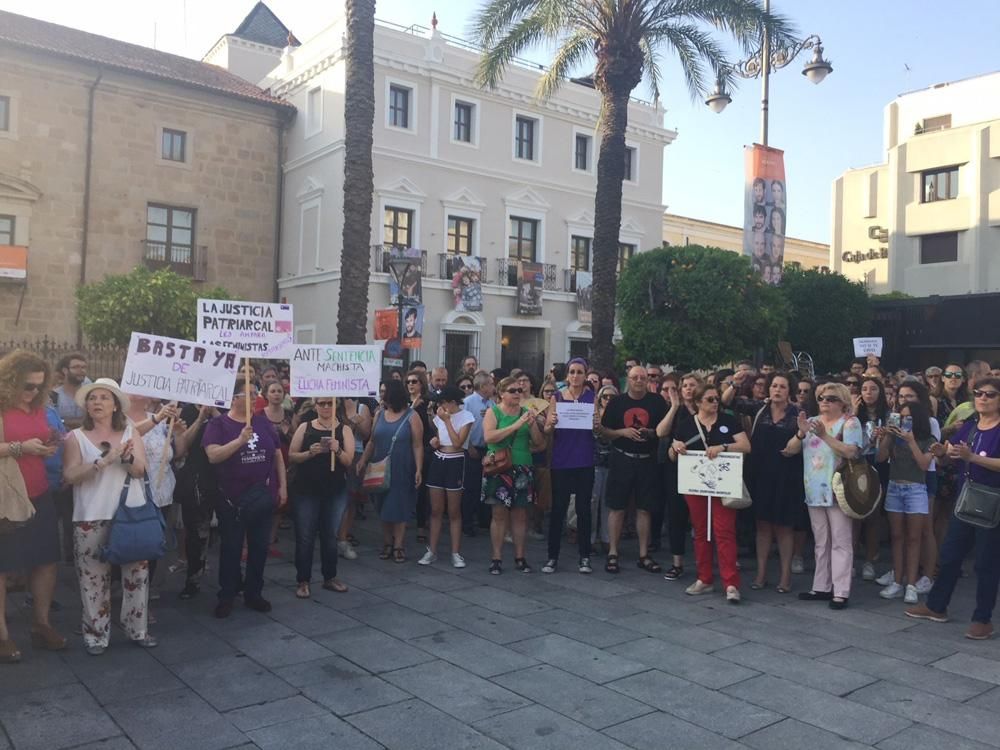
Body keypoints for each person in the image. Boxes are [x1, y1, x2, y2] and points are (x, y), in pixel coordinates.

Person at [62, 378, 152, 654]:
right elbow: (70, 475)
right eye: (92, 398)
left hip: (129, 514)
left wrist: (124, 458)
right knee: (92, 579)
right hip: (91, 515)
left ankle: (137, 630)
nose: (97, 402)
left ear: (115, 405)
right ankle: (96, 635)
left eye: (103, 398)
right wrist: (102, 462)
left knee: (136, 575)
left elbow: (140, 470)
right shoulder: (75, 437)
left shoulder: (130, 433)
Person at [906, 376, 1000, 640]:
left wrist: (973, 459)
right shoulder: (970, 425)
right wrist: (941, 453)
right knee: (949, 554)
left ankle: (983, 619)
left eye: (990, 394)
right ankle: (936, 606)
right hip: (965, 498)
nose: (982, 398)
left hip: (993, 501)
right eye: (979, 393)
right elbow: (951, 459)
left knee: (986, 562)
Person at [203, 378, 288, 619]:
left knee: (260, 547)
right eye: (248, 393)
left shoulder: (262, 422)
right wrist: (240, 440)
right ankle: (227, 595)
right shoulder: (218, 424)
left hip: (262, 497)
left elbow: (277, 455)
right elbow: (213, 456)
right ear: (234, 398)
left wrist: (283, 487)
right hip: (233, 501)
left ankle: (254, 593)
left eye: (255, 393)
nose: (255, 398)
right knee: (231, 548)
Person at [0, 351, 65, 663]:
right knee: (2, 566)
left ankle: (42, 625)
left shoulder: (39, 406)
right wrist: (18, 448)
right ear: (11, 380)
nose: (35, 392)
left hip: (39, 491)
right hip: (7, 498)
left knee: (47, 559)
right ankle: (2, 636)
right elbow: (17, 445)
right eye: (28, 386)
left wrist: (49, 443)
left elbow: (40, 436)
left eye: (41, 386)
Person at [670, 383, 751, 603]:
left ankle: (731, 582)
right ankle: (704, 578)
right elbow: (672, 453)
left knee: (724, 531)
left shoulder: (728, 421)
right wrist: (676, 447)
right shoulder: (687, 425)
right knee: (701, 531)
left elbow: (745, 446)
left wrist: (724, 447)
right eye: (710, 399)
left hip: (723, 484)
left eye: (716, 399)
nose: (715, 403)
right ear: (698, 403)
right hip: (696, 485)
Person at [785, 382, 864, 610]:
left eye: (830, 398)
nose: (824, 402)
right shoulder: (811, 422)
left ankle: (840, 591)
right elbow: (790, 450)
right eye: (821, 398)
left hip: (838, 489)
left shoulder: (850, 422)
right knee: (821, 541)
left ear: (842, 402)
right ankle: (821, 586)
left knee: (841, 540)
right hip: (814, 489)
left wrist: (825, 436)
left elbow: (852, 451)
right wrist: (801, 432)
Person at [731, 372, 803, 593]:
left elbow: (804, 442)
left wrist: (799, 435)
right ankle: (761, 574)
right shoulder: (760, 409)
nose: (777, 390)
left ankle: (785, 577)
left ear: (789, 390)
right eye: (774, 386)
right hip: (761, 473)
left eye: (782, 386)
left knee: (784, 528)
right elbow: (729, 401)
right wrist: (736, 382)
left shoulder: (798, 414)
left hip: (787, 475)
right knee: (762, 526)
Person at [598, 366, 668, 574]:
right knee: (616, 507)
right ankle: (613, 552)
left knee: (644, 509)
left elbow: (664, 430)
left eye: (642, 377)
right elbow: (604, 432)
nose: (639, 380)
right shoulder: (617, 403)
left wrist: (650, 432)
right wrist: (623, 432)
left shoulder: (657, 402)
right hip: (622, 458)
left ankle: (644, 554)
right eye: (635, 377)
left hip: (648, 460)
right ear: (627, 379)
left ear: (648, 380)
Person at [288, 396, 355, 597]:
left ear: (336, 405)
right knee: (305, 536)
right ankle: (303, 579)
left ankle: (330, 577)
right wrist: (309, 453)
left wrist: (338, 449)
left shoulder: (344, 429)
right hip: (306, 489)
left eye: (330, 403)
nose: (326, 407)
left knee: (329, 535)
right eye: (322, 403)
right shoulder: (305, 427)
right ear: (315, 405)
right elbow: (292, 455)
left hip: (334, 490)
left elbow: (349, 461)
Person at [482, 376, 548, 575]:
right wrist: (516, 425)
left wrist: (534, 423)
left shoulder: (526, 412)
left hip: (522, 466)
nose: (518, 394)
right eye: (512, 390)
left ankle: (520, 557)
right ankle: (496, 558)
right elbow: (489, 437)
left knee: (520, 515)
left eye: (520, 390)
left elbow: (539, 443)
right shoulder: (493, 412)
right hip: (500, 467)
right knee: (499, 515)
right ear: (501, 393)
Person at [875, 400, 934, 605]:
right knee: (897, 536)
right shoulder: (894, 437)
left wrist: (911, 441)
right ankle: (897, 581)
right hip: (894, 487)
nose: (904, 421)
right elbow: (880, 458)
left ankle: (911, 583)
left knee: (914, 538)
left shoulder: (928, 438)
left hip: (916, 489)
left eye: (908, 417)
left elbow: (924, 464)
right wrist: (887, 436)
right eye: (901, 417)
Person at [357, 380, 423, 563]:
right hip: (380, 466)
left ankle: (398, 545)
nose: (382, 396)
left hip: (402, 467)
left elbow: (417, 445)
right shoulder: (379, 414)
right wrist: (363, 460)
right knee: (382, 506)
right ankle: (387, 541)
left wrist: (419, 469)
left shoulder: (412, 416)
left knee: (399, 506)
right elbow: (372, 441)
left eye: (385, 393)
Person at [542, 359, 596, 575]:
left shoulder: (592, 398)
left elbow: (598, 430)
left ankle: (584, 556)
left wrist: (597, 425)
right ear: (567, 375)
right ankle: (552, 557)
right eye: (572, 372)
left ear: (585, 375)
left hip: (584, 460)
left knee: (584, 510)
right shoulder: (556, 397)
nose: (575, 376)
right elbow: (546, 429)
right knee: (558, 511)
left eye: (579, 372)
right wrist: (551, 422)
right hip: (562, 461)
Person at [421, 385, 473, 567]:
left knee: (454, 511)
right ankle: (432, 550)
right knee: (435, 510)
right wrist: (435, 441)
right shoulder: (439, 416)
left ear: (452, 402)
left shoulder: (466, 417)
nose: (441, 407)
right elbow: (439, 436)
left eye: (443, 403)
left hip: (456, 460)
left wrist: (448, 421)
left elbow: (458, 443)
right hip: (439, 458)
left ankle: (455, 552)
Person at [854, 376, 890, 582]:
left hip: (879, 466)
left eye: (873, 388)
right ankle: (850, 559)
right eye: (864, 388)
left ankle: (870, 559)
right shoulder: (854, 415)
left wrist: (884, 436)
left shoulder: (887, 415)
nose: (868, 392)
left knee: (874, 516)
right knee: (855, 513)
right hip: (858, 465)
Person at [461, 372, 495, 537]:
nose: (493, 387)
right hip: (472, 449)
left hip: (487, 450)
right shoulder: (468, 402)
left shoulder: (492, 403)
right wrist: (469, 446)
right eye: (490, 384)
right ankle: (467, 523)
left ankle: (484, 520)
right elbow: (463, 425)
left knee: (485, 486)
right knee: (471, 487)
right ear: (483, 386)